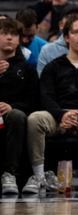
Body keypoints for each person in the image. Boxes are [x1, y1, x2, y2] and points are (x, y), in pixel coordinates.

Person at [23, 15, 78, 194]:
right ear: (66, 37)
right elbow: (46, 96)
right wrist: (62, 115)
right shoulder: (53, 66)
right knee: (34, 118)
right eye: (76, 32)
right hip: (57, 117)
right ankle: (39, 177)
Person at [0, 19, 39, 196]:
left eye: (14, 34)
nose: (9, 38)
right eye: (4, 33)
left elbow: (34, 101)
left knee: (16, 116)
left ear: (20, 40)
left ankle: (10, 174)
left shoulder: (28, 68)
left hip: (13, 115)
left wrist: (11, 106)